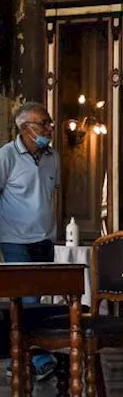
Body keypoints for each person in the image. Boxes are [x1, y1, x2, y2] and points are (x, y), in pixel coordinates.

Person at [0, 102, 61, 381]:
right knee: (27, 299)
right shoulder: (7, 156)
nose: (49, 128)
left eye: (50, 123)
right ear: (24, 128)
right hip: (15, 239)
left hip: (44, 238)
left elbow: (53, 195)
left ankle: (21, 354)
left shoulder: (53, 157)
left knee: (36, 299)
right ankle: (38, 356)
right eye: (43, 123)